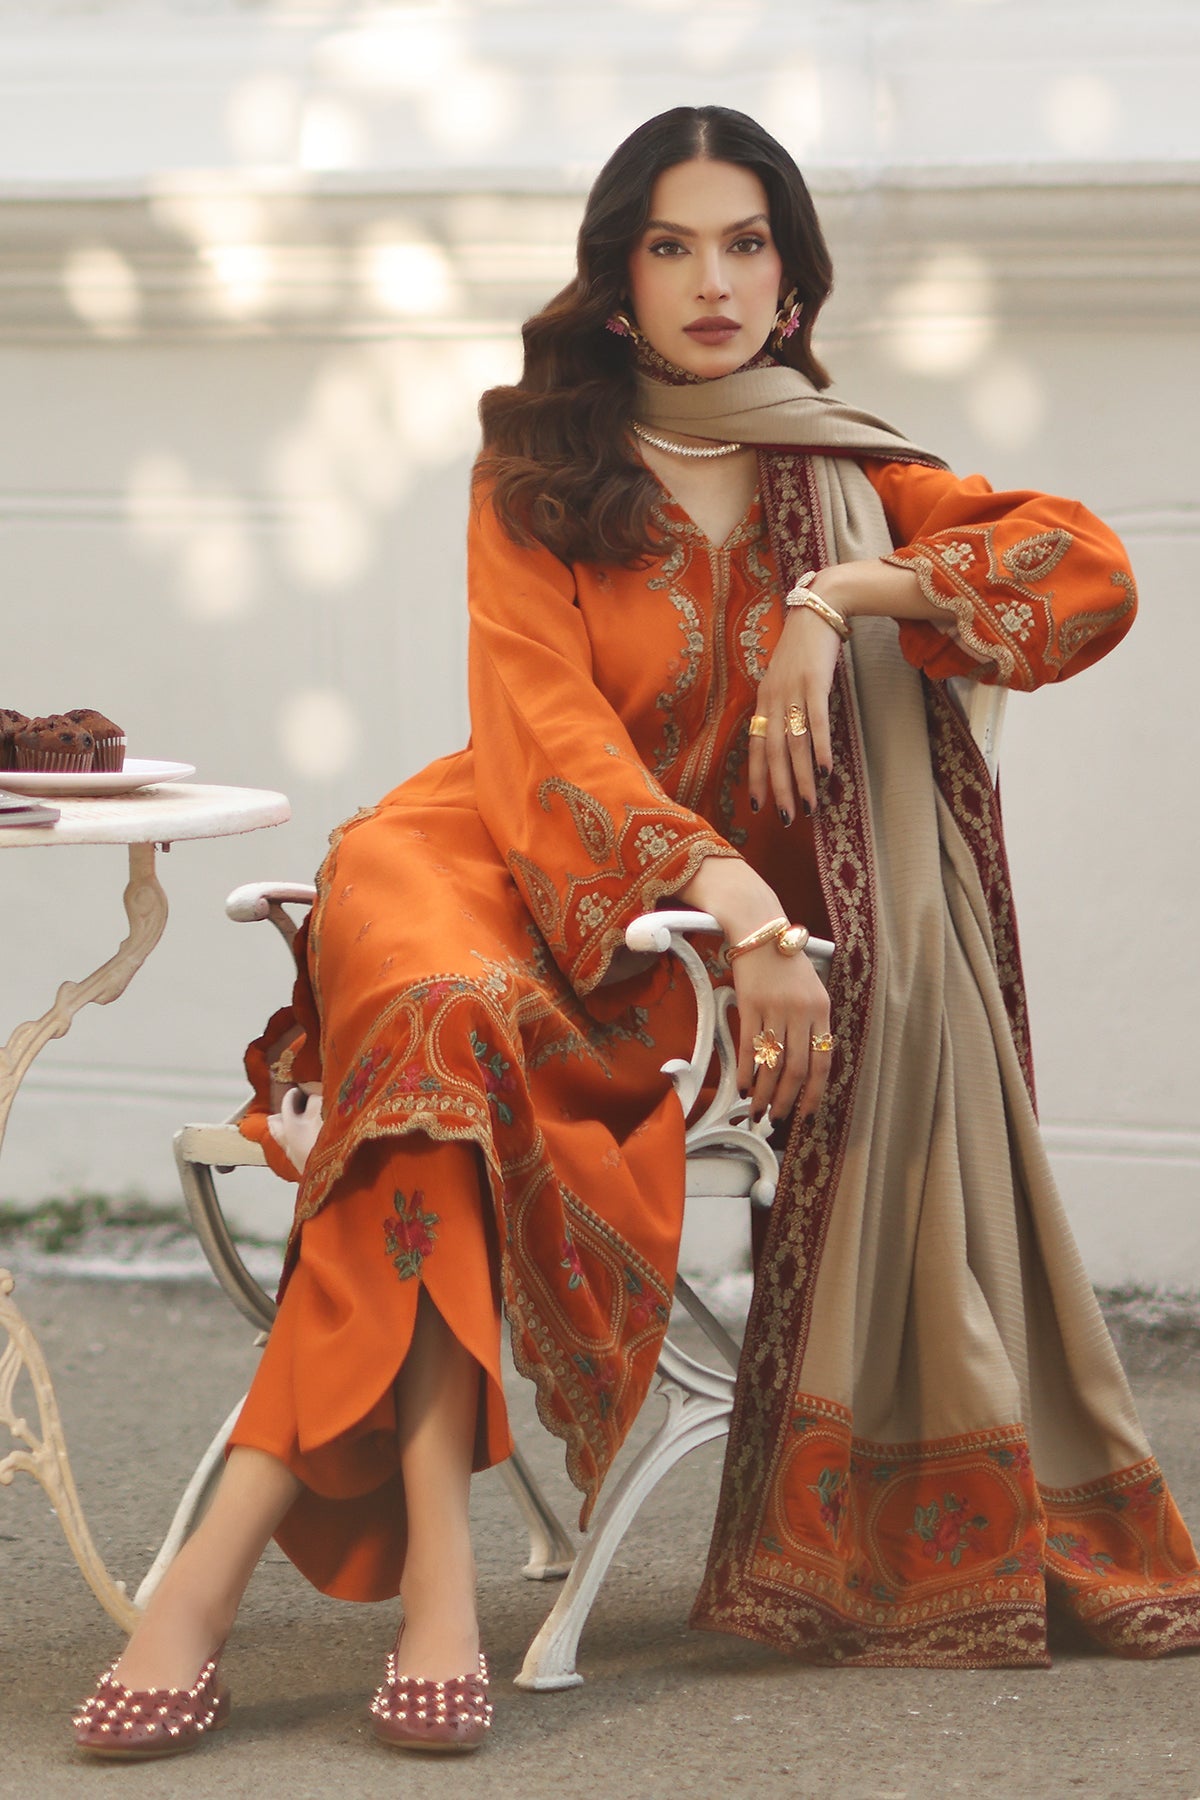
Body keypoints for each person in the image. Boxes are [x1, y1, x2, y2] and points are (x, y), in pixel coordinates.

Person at [74, 103, 1200, 1761]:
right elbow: (546, 737)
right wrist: (738, 895)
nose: (713, 282)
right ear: (619, 283)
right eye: (673, 247)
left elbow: (1086, 573)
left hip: (660, 960)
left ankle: (244, 1579)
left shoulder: (859, 481)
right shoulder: (540, 470)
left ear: (794, 282)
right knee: (444, 1010)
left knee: (430, 1105)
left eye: (746, 244)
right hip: (497, 860)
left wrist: (845, 596)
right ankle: (428, 1580)